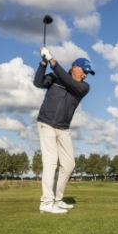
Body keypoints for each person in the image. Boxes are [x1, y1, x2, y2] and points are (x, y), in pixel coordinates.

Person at [33, 47, 95, 214]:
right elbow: (38, 83)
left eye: (88, 73)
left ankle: (57, 199)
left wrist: (53, 61)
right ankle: (46, 202)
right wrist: (43, 63)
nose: (85, 75)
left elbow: (68, 81)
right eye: (83, 71)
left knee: (69, 164)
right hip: (46, 123)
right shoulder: (55, 77)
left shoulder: (83, 88)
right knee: (51, 162)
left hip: (63, 128)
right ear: (74, 67)